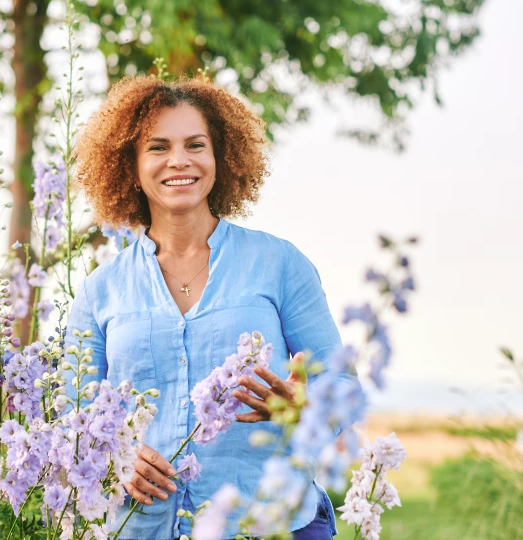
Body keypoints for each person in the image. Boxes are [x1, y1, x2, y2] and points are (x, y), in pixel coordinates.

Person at [65, 75, 355, 540]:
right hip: (144, 527)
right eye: (158, 147)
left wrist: (306, 406)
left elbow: (345, 387)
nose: (179, 160)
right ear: (131, 165)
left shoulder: (279, 264)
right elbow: (72, 420)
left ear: (219, 156)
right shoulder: (101, 290)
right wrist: (113, 457)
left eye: (195, 144)